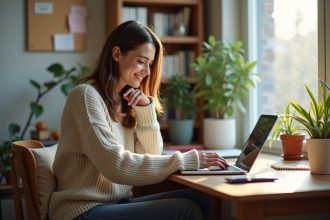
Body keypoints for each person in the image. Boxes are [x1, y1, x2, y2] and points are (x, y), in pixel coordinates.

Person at [49, 21, 229, 220]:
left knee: (200, 199)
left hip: (114, 203)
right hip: (80, 210)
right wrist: (185, 160)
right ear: (117, 54)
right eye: (142, 61)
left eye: (150, 64)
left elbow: (152, 154)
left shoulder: (124, 100)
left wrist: (145, 111)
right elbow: (115, 165)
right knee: (187, 210)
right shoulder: (85, 95)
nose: (148, 71)